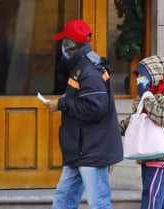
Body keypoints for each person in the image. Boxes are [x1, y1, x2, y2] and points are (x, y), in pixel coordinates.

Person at [45, 19, 123, 209]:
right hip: (80, 149)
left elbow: (96, 107)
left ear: (71, 45)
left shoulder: (88, 70)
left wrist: (62, 104)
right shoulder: (82, 66)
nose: (62, 47)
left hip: (91, 150)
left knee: (99, 204)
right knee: (63, 200)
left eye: (64, 43)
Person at [119, 55, 164, 209]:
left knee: (151, 196)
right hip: (148, 153)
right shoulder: (145, 97)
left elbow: (162, 117)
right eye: (138, 75)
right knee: (161, 197)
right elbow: (136, 121)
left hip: (162, 155)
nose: (139, 79)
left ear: (153, 75)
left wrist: (146, 96)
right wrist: (115, 128)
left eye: (143, 74)